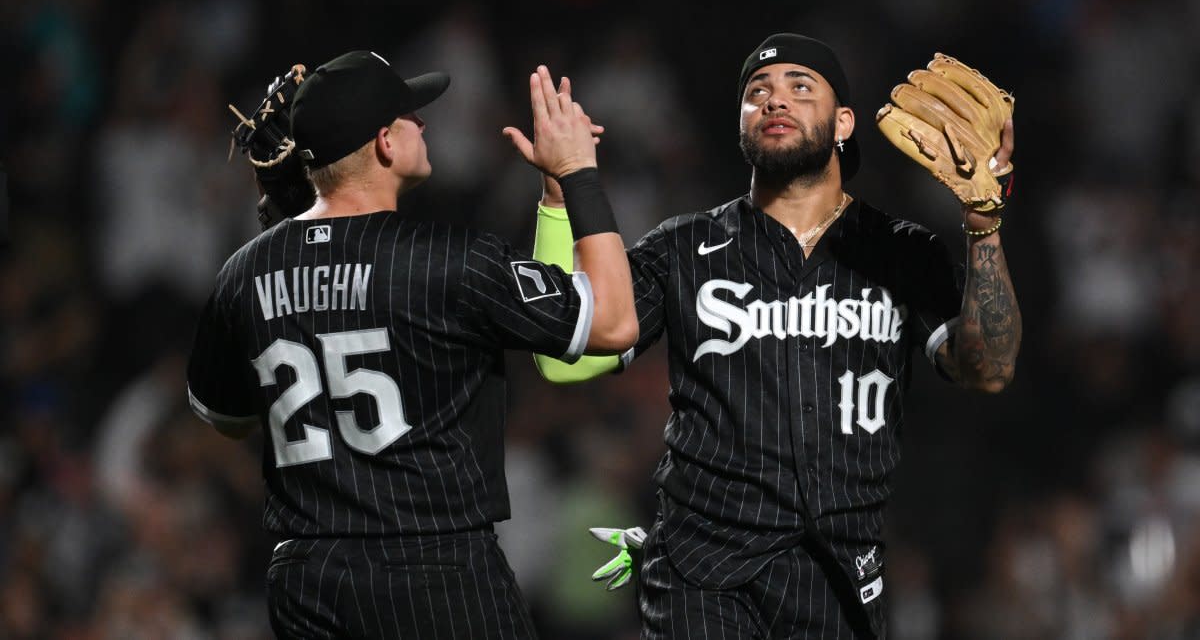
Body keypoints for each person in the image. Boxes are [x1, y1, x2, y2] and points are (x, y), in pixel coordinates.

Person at [531, 33, 1022, 638]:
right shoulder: (685, 247)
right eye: (756, 92)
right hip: (702, 569)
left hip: (841, 572)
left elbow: (989, 369)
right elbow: (567, 363)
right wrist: (558, 198)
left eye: (800, 86)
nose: (774, 100)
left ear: (844, 122)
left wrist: (983, 227)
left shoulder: (901, 251)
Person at [186, 50, 637, 639]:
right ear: (384, 144)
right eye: (409, 116)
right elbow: (614, 323)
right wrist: (577, 176)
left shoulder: (241, 275)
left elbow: (228, 418)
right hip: (434, 573)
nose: (422, 124)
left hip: (305, 581)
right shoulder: (449, 261)